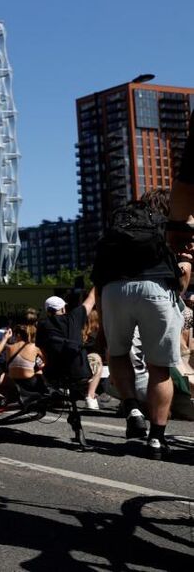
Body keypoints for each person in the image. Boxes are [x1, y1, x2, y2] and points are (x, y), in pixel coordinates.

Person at [91, 188, 188, 460]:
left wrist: (101, 321)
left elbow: (97, 278)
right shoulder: (169, 227)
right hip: (155, 289)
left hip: (113, 290)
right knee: (160, 367)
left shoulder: (120, 228)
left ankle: (132, 407)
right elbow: (180, 282)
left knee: (119, 353)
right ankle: (156, 439)